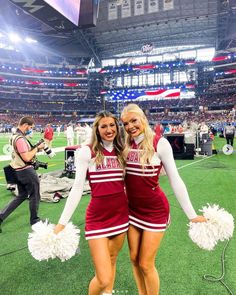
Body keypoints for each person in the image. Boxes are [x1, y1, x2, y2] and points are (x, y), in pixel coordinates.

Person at [120, 104, 206, 295]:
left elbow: (175, 179)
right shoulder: (125, 145)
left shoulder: (160, 143)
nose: (130, 126)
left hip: (154, 212)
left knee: (146, 263)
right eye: (125, 123)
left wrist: (191, 215)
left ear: (143, 118)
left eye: (133, 120)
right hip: (132, 211)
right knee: (134, 258)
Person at [54, 111, 129, 295]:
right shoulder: (87, 152)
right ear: (97, 129)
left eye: (112, 125)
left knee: (112, 260)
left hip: (120, 216)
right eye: (103, 126)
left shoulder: (123, 152)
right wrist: (62, 222)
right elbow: (78, 188)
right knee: (103, 277)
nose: (109, 129)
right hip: (98, 219)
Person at [0, 116, 45, 233]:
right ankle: (35, 220)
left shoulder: (14, 136)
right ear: (25, 125)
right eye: (30, 127)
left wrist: (35, 148)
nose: (31, 130)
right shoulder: (20, 139)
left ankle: (1, 216)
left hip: (17, 170)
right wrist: (38, 148)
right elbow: (27, 157)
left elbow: (23, 154)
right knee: (35, 195)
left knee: (22, 195)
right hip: (25, 171)